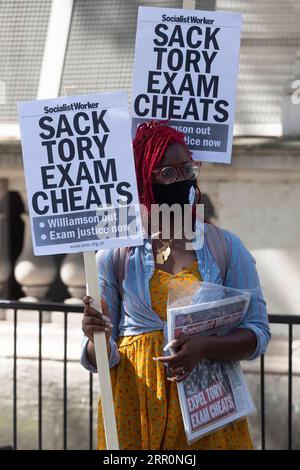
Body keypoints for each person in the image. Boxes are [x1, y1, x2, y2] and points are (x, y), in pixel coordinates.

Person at [80, 120, 270, 450]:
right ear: (144, 179)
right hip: (134, 410)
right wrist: (96, 336)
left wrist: (206, 347)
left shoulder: (225, 247)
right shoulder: (115, 255)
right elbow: (101, 359)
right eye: (168, 174)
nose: (182, 181)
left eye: (188, 169)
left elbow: (258, 334)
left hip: (207, 416)